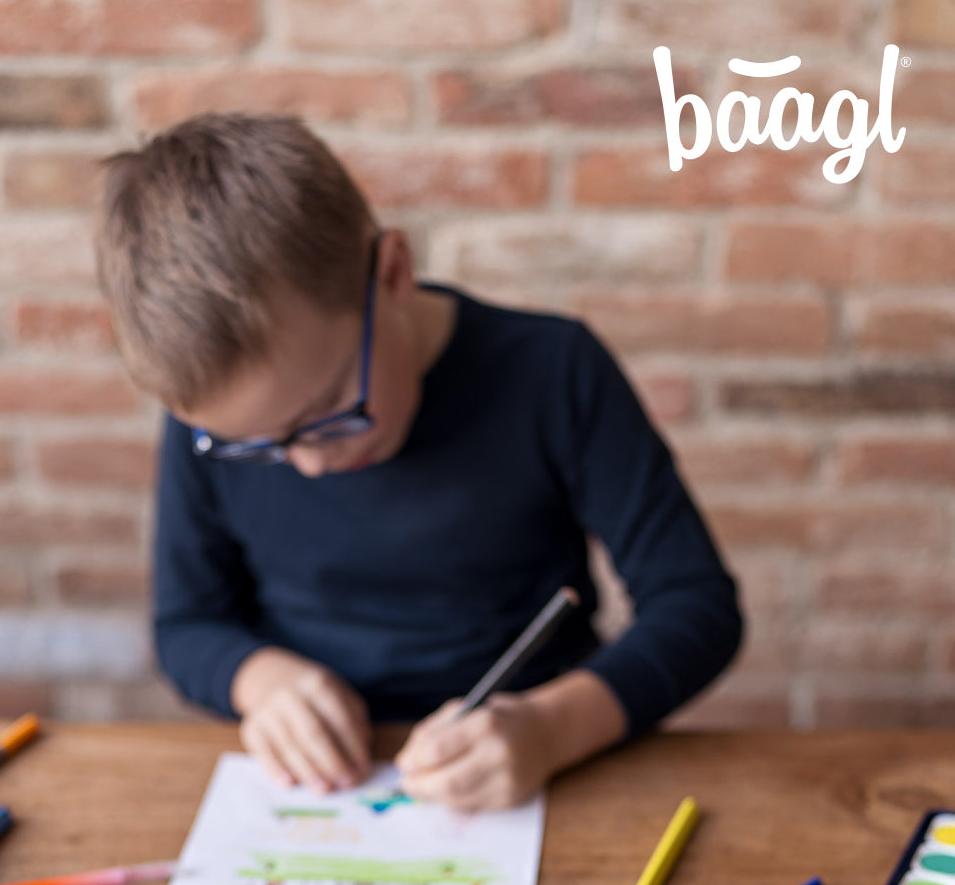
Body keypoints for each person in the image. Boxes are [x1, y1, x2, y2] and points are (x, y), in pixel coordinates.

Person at [96, 113, 742, 812]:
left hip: (542, 772)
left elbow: (696, 607)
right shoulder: (216, 429)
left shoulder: (554, 373)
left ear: (394, 274)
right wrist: (259, 680)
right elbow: (187, 625)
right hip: (320, 788)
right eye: (261, 445)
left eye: (328, 412)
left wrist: (554, 728)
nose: (305, 463)